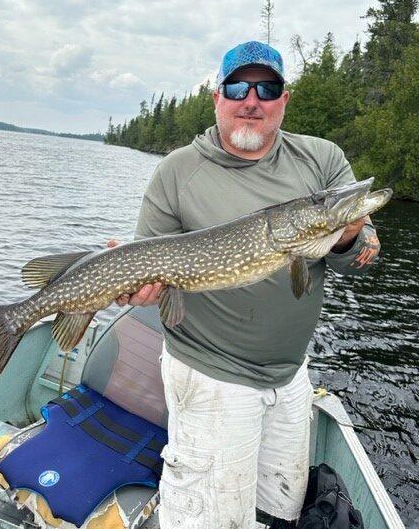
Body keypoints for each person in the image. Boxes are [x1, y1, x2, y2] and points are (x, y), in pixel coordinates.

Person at [114, 41, 381, 529]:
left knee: (277, 509)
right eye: (238, 86)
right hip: (210, 376)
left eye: (267, 87)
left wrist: (351, 236)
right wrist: (139, 288)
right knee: (205, 518)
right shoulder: (177, 172)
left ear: (284, 99)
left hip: (290, 374)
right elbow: (148, 268)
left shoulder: (322, 160)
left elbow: (353, 257)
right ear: (218, 97)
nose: (251, 99)